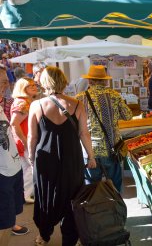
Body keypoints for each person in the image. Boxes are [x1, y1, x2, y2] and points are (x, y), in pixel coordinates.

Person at [27, 66, 96, 245]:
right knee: (73, 199)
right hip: (72, 160)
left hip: (45, 160)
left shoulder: (36, 105)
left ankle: (44, 235)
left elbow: (32, 136)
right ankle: (70, 239)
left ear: (44, 83)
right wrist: (91, 156)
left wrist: (31, 157)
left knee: (46, 198)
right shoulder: (77, 104)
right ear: (63, 81)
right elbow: (84, 134)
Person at [76, 65, 132, 192]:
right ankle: (116, 209)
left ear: (90, 81)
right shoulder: (114, 95)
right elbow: (128, 116)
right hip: (111, 149)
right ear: (106, 81)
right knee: (115, 185)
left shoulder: (80, 98)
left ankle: (94, 210)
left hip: (89, 151)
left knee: (92, 187)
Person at [0, 67, 28, 246]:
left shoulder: (2, 103)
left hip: (12, 168)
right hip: (2, 174)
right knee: (4, 224)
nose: (5, 84)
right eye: (2, 80)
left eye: (5, 80)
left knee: (8, 222)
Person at [10, 77, 38, 204]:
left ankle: (23, 195)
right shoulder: (23, 103)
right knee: (33, 168)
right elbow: (14, 124)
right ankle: (26, 194)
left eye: (34, 84)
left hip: (23, 141)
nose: (34, 87)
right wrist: (26, 141)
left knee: (27, 168)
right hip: (25, 141)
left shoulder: (23, 101)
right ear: (23, 88)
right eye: (30, 85)